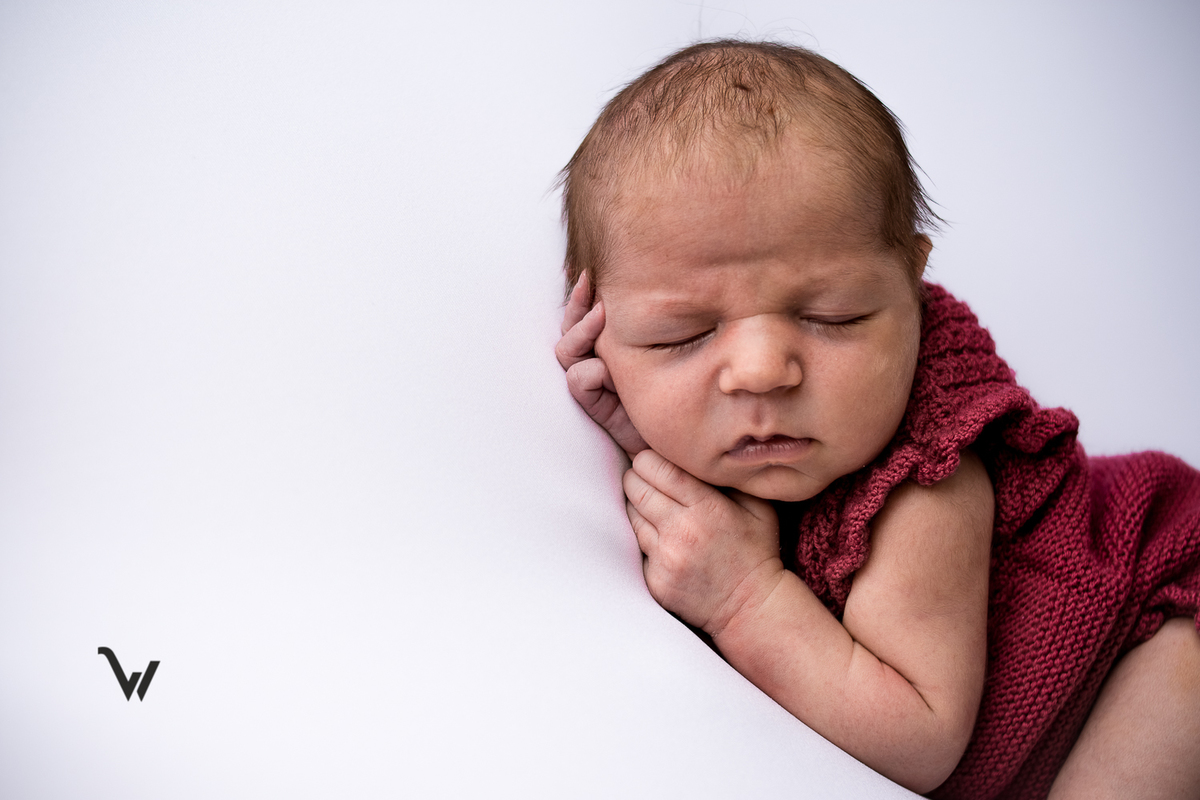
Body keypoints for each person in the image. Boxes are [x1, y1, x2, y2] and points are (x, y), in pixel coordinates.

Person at [554, 40, 1200, 800]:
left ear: (914, 287)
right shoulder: (779, 430)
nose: (762, 372)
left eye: (834, 317)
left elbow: (918, 740)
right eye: (681, 337)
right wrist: (636, 429)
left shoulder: (931, 484)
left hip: (1155, 616)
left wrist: (743, 598)